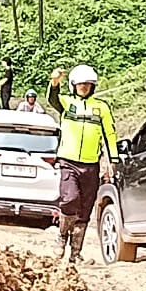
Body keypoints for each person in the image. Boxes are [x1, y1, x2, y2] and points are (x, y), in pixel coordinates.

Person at [47, 65, 117, 264]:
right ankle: (61, 237)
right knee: (70, 199)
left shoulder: (101, 107)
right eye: (80, 84)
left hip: (91, 165)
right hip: (68, 161)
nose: (84, 87)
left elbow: (109, 135)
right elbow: (53, 99)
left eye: (88, 84)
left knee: (85, 209)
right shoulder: (66, 103)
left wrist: (112, 160)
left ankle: (75, 253)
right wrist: (54, 82)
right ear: (73, 86)